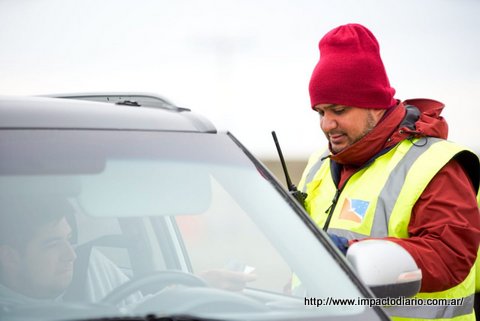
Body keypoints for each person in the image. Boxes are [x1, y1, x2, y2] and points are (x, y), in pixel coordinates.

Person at [298, 23, 480, 321]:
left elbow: (450, 256)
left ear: (375, 105)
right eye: (320, 112)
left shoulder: (435, 164)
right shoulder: (318, 163)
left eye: (339, 110)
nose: (326, 124)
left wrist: (352, 255)